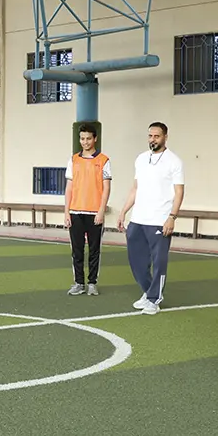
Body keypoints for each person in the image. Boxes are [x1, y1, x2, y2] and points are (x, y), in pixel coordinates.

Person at [116, 121, 185, 315]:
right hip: (138, 219)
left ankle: (155, 299)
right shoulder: (140, 159)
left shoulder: (174, 162)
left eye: (157, 136)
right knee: (136, 261)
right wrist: (123, 211)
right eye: (150, 136)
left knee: (159, 261)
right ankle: (148, 292)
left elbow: (179, 192)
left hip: (159, 220)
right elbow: (135, 188)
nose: (152, 139)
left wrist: (172, 217)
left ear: (165, 137)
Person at [64, 125, 112, 296]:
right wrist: (66, 211)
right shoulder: (73, 160)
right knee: (76, 251)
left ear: (95, 139)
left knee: (94, 250)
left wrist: (101, 211)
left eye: (88, 138)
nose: (85, 142)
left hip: (94, 213)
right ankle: (79, 283)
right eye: (82, 139)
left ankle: (92, 283)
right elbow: (69, 188)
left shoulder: (104, 160)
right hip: (75, 212)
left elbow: (106, 188)